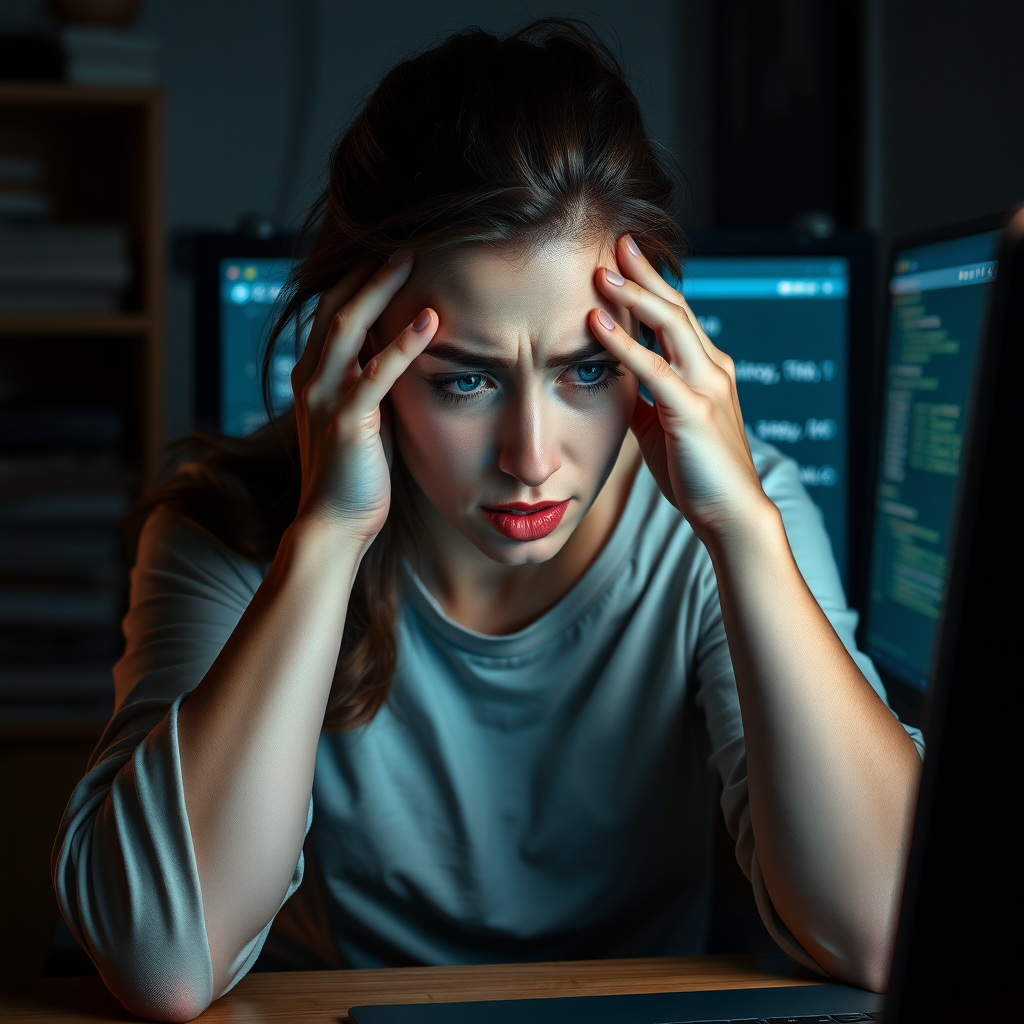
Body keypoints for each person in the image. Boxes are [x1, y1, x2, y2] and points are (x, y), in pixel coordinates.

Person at [53, 20, 923, 1023]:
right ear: (358, 353)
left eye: (586, 369)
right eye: (464, 378)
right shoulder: (230, 527)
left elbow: (890, 930)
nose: (532, 457)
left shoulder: (731, 513)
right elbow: (163, 962)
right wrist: (326, 539)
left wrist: (744, 535)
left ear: (654, 341)